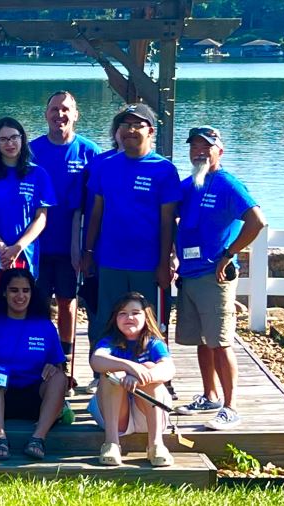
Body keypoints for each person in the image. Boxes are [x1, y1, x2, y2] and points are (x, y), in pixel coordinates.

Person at [174, 126, 266, 431]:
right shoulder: (190, 184)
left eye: (207, 147)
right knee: (203, 341)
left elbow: (257, 221)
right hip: (189, 274)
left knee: (221, 342)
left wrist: (229, 253)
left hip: (215, 276)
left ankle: (230, 407)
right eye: (195, 147)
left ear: (220, 151)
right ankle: (210, 395)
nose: (200, 152)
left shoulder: (228, 184)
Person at [84, 103, 180, 391]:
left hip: (147, 263)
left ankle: (159, 377)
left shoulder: (163, 169)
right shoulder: (105, 166)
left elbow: (168, 222)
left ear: (150, 130)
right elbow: (96, 213)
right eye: (125, 125)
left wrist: (164, 262)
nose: (130, 131)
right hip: (110, 260)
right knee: (108, 319)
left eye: (137, 125)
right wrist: (88, 252)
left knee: (150, 323)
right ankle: (105, 376)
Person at [30, 90, 102, 392]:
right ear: (46, 114)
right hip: (36, 246)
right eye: (54, 109)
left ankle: (65, 366)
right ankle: (41, 366)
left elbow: (99, 200)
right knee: (38, 307)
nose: (59, 115)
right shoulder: (32, 150)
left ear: (75, 114)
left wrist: (87, 248)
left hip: (74, 248)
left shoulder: (89, 151)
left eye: (65, 110)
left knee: (68, 304)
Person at [0, 268, 67, 461]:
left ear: (32, 293)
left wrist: (54, 368)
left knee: (59, 378)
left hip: (34, 397)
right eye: (14, 290)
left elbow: (59, 366)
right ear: (4, 292)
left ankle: (38, 439)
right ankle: (0, 438)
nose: (20, 296)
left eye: (25, 291)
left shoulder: (45, 326)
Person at [0, 117, 56, 306]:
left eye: (14, 137)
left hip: (23, 255)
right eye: (3, 139)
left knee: (21, 315)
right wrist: (3, 249)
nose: (9, 143)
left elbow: (41, 218)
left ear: (22, 139)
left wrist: (17, 248)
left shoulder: (38, 174)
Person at [89, 292, 175, 467]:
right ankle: (111, 443)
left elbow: (168, 369)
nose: (129, 317)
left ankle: (156, 444)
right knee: (112, 375)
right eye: (122, 313)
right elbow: (96, 361)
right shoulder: (109, 342)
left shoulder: (154, 343)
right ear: (115, 318)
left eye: (135, 313)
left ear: (146, 316)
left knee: (151, 367)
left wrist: (141, 375)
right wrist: (130, 367)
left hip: (148, 412)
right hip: (116, 416)